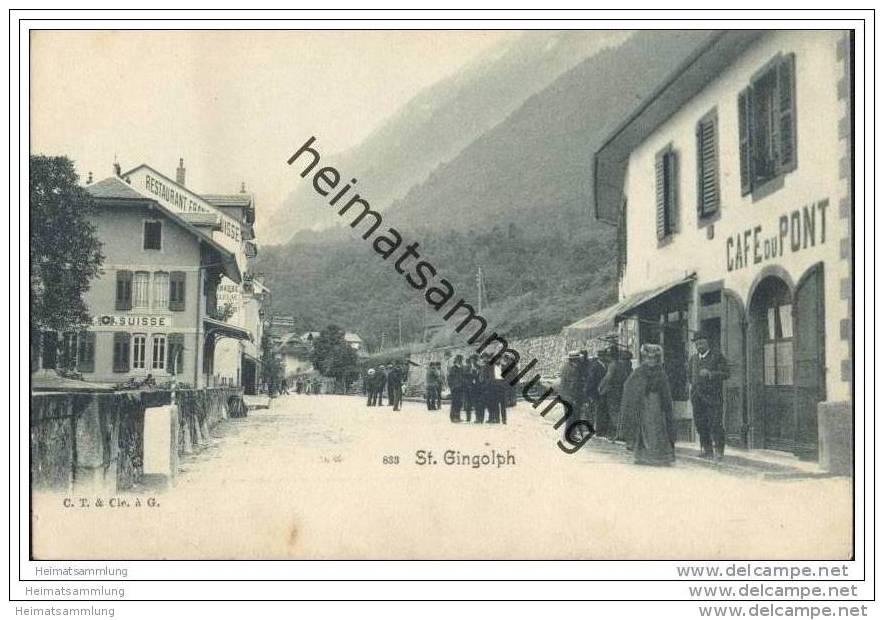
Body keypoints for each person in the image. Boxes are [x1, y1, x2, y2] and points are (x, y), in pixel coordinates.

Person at [620, 343, 676, 466]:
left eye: (653, 358)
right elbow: (629, 386)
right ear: (644, 358)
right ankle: (644, 456)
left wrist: (665, 405)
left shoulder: (661, 372)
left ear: (657, 359)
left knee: (658, 428)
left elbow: (665, 391)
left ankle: (659, 456)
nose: (651, 361)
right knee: (644, 428)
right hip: (643, 404)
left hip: (657, 404)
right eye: (648, 358)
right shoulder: (639, 371)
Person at [688, 330, 730, 460]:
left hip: (713, 398)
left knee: (715, 424)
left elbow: (727, 373)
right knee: (700, 424)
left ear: (707, 343)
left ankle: (719, 451)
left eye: (702, 343)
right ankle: (707, 450)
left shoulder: (717, 356)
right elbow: (690, 376)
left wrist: (711, 374)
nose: (699, 346)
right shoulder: (693, 359)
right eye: (697, 344)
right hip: (697, 398)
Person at [600, 347, 633, 442]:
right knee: (620, 412)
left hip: (613, 392)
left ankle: (621, 434)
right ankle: (622, 433)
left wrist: (601, 389)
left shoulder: (612, 365)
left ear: (610, 356)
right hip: (621, 391)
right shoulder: (622, 365)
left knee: (614, 412)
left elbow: (608, 378)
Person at [447, 355, 465, 422]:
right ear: (456, 360)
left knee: (459, 403)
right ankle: (453, 417)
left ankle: (458, 417)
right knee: (454, 402)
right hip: (455, 388)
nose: (460, 361)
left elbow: (463, 377)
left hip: (461, 388)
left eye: (461, 360)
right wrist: (452, 387)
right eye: (459, 360)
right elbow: (449, 379)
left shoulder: (461, 368)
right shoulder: (453, 368)